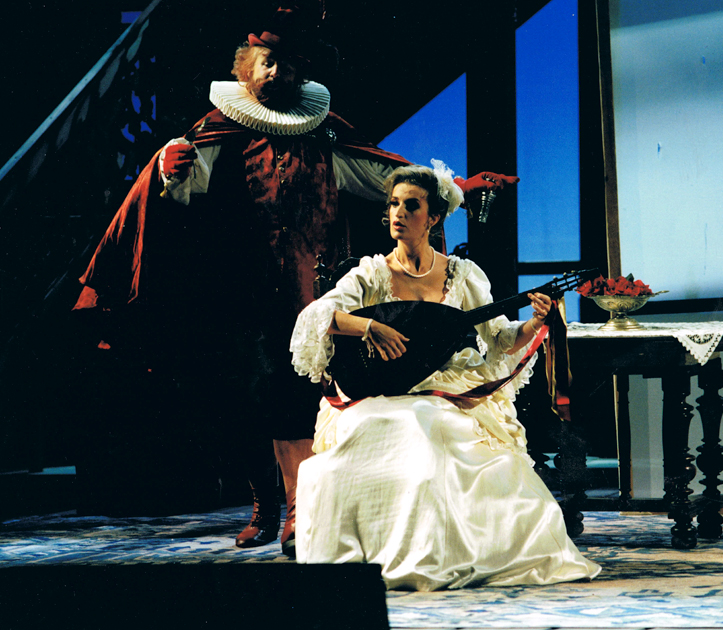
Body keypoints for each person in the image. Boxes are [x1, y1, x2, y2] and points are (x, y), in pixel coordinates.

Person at [72, 3, 515, 554]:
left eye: (287, 65)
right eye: (267, 62)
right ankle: (265, 505)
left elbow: (387, 177)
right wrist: (168, 168)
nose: (277, 73)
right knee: (244, 401)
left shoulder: (324, 138)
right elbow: (180, 186)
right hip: (239, 292)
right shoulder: (220, 133)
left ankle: (299, 512)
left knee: (298, 399)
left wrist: (456, 189)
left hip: (311, 291)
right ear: (245, 68)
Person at [289, 162, 601, 590]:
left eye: (411, 206)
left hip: (444, 388)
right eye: (393, 204)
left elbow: (501, 339)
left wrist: (534, 322)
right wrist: (369, 326)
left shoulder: (462, 275)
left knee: (427, 427)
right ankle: (378, 557)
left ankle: (435, 557)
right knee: (378, 435)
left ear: (434, 217)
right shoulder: (371, 273)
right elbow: (315, 316)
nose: (398, 213)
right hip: (381, 391)